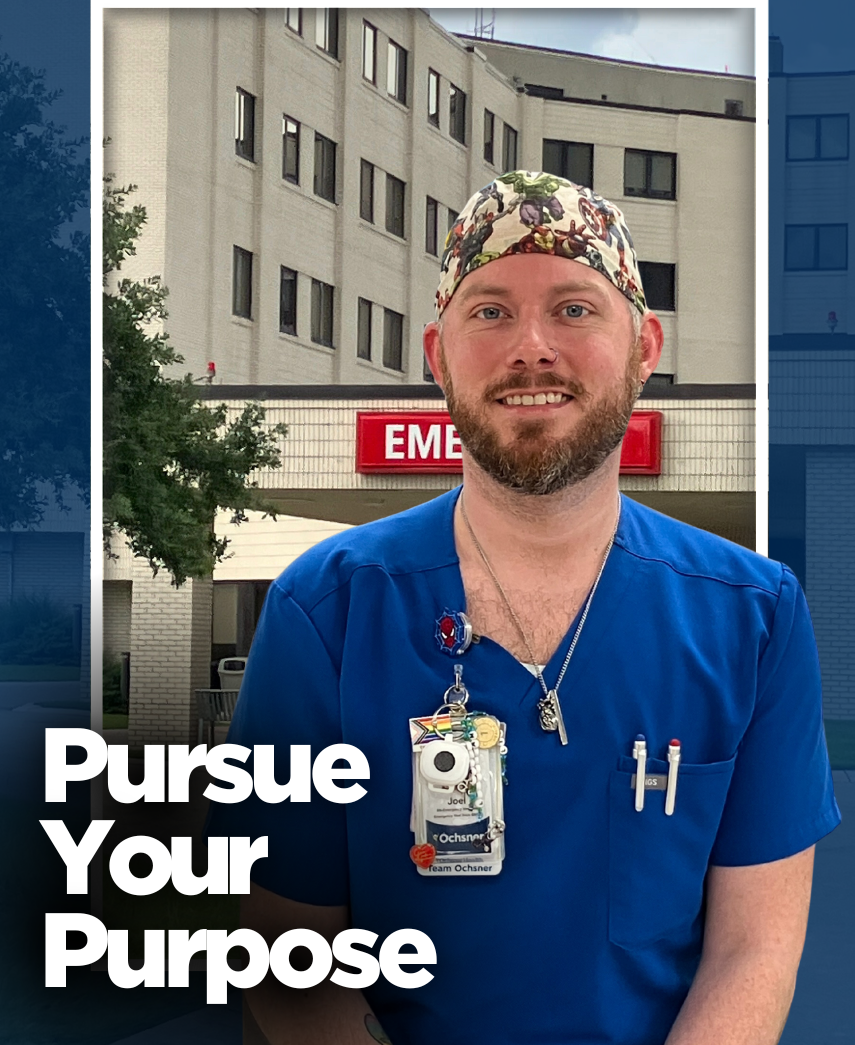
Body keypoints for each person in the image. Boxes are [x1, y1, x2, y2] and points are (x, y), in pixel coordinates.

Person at [210, 171, 840, 1045]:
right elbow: (287, 950)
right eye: (490, 311)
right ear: (438, 355)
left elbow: (754, 948)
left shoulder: (752, 616)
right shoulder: (328, 611)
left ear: (643, 347)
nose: (531, 348)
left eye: (576, 309)